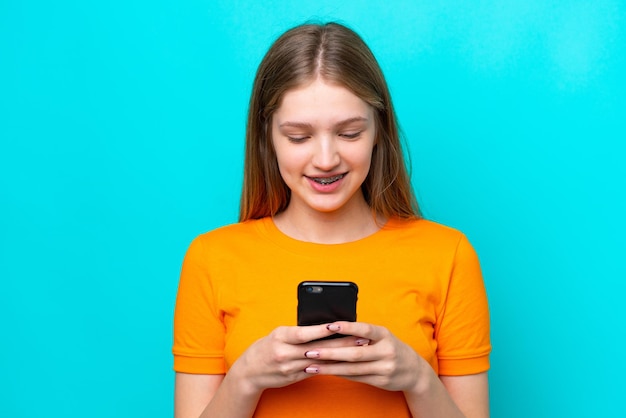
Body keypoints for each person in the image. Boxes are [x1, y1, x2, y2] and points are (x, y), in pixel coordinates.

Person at [173, 22, 491, 418]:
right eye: (298, 137)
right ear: (267, 137)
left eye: (349, 133)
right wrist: (246, 378)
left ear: (379, 131)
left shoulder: (448, 255)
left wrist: (417, 378)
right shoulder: (212, 258)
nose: (326, 159)